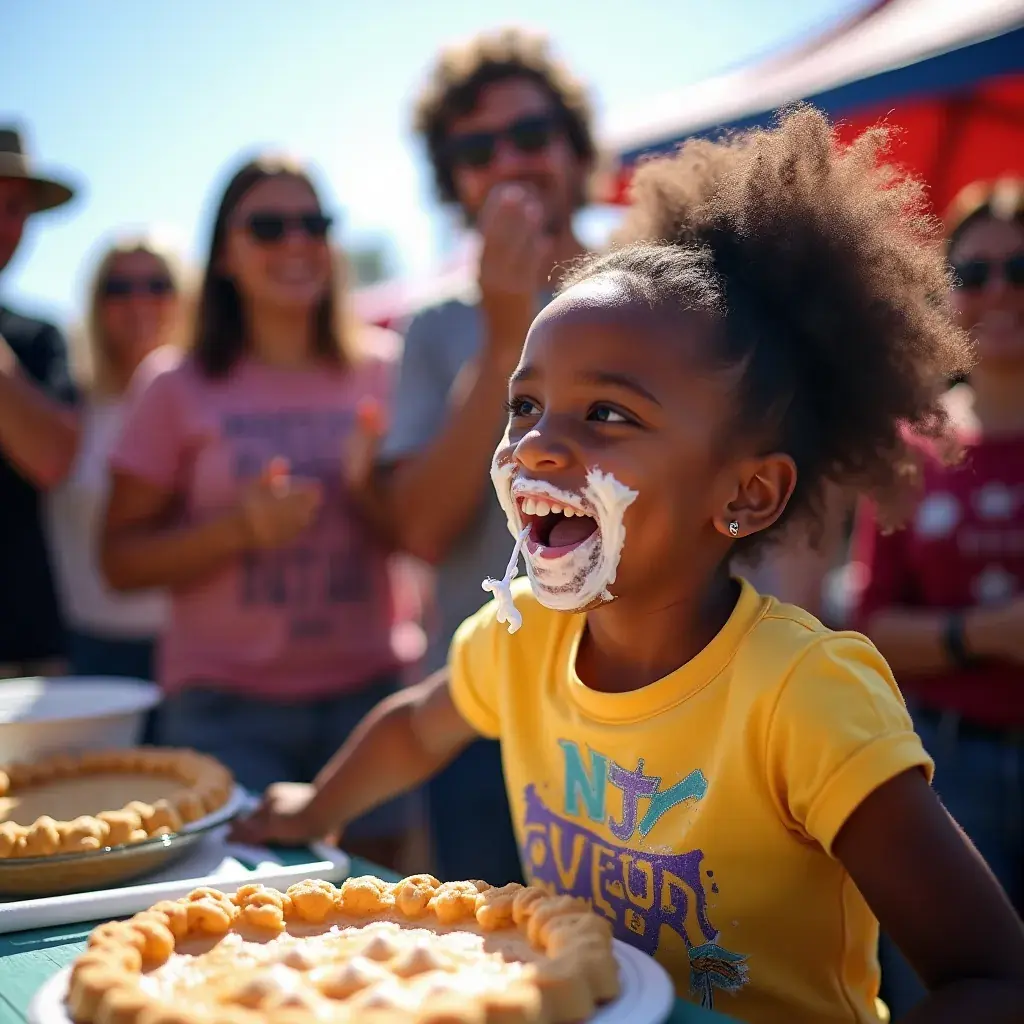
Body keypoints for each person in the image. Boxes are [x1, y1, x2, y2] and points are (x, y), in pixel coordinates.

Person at [236, 109, 1024, 1022]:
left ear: (748, 494)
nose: (536, 445)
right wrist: (313, 808)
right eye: (524, 406)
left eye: (607, 414)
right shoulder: (522, 635)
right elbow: (418, 727)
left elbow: (992, 975)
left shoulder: (803, 694)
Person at [100, 154, 413, 869]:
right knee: (240, 917)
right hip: (225, 711)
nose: (296, 241)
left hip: (372, 708)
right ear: (223, 256)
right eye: (268, 227)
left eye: (314, 223)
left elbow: (420, 535)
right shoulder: (174, 385)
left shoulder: (382, 368)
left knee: (384, 915)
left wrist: (367, 490)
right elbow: (116, 560)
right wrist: (238, 530)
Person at [351, 26, 596, 884]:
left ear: (575, 147)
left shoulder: (658, 290)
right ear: (451, 179)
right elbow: (421, 529)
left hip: (650, 699)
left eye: (530, 134)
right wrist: (501, 338)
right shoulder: (434, 327)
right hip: (480, 710)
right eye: (475, 150)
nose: (508, 162)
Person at [850, 178, 1024, 1016]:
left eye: (1020, 269)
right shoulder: (911, 450)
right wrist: (987, 633)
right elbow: (869, 628)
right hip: (949, 768)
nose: (998, 291)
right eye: (974, 272)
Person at [18, 233, 186, 682]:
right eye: (119, 287)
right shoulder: (69, 402)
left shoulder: (209, 404)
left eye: (158, 285)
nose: (139, 301)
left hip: (192, 646)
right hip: (87, 647)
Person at [0, 126, 79, 679]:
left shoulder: (38, 338)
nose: (4, 225)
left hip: (23, 654)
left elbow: (50, 459)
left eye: (15, 208)